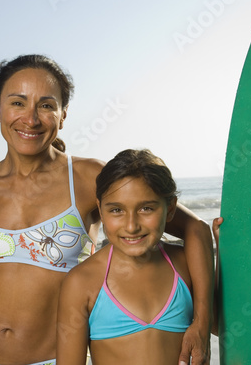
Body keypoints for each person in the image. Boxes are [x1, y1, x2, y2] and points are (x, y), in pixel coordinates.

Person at [0, 54, 214, 365]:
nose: (30, 119)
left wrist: (201, 323)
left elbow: (194, 229)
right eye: (17, 103)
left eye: (46, 105)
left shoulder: (88, 179)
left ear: (63, 114)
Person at [57, 149, 199, 364]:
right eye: (116, 210)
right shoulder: (82, 282)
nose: (131, 226)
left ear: (170, 209)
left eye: (146, 208)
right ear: (101, 210)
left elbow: (229, 329)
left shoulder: (185, 265)